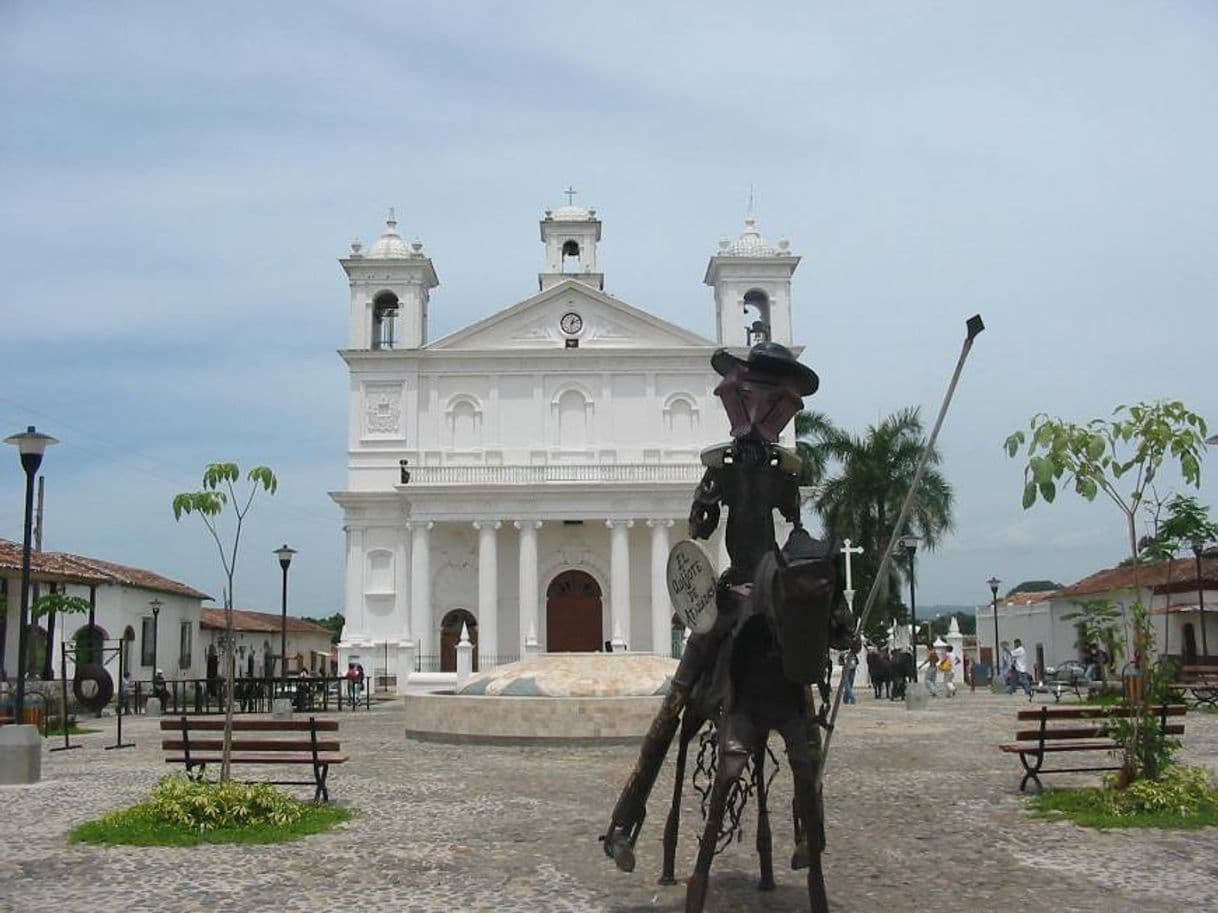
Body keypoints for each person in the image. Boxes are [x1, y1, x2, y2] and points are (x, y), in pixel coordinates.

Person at [841, 639, 860, 705]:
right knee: (847, 685)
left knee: (850, 685)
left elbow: (857, 661)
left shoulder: (853, 653)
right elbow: (840, 661)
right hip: (846, 669)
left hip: (852, 670)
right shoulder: (843, 653)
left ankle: (845, 699)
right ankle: (852, 698)